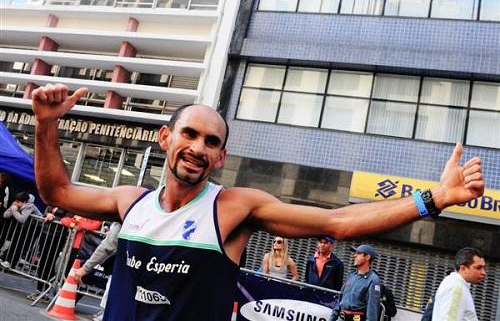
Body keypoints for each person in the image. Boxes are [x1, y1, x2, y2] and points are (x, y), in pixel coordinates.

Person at [30, 84, 484, 321]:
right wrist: (46, 127)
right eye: (189, 134)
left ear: (221, 157)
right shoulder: (131, 201)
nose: (198, 147)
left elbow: (338, 222)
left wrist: (436, 198)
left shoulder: (233, 207)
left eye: (211, 141)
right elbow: (58, 193)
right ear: (165, 138)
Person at [73, 222, 121, 321]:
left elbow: (107, 247)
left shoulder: (125, 217)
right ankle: (105, 312)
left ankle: (105, 313)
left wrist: (85, 268)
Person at [432, 247, 486, 321]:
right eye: (478, 268)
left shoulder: (457, 284)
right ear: (463, 269)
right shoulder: (456, 288)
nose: (483, 273)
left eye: (483, 268)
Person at [329, 245, 381, 321]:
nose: (354, 256)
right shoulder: (351, 275)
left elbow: (372, 312)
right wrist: (332, 318)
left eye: (359, 253)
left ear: (367, 257)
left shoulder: (373, 280)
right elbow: (340, 300)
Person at [1, 191, 42, 268]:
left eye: (18, 202)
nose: (16, 203)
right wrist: (12, 208)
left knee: (21, 245)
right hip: (25, 226)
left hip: (34, 227)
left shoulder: (30, 206)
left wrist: (14, 211)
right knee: (15, 242)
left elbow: (22, 219)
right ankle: (4, 258)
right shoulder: (17, 203)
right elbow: (5, 215)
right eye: (16, 201)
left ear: (25, 202)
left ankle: (10, 262)